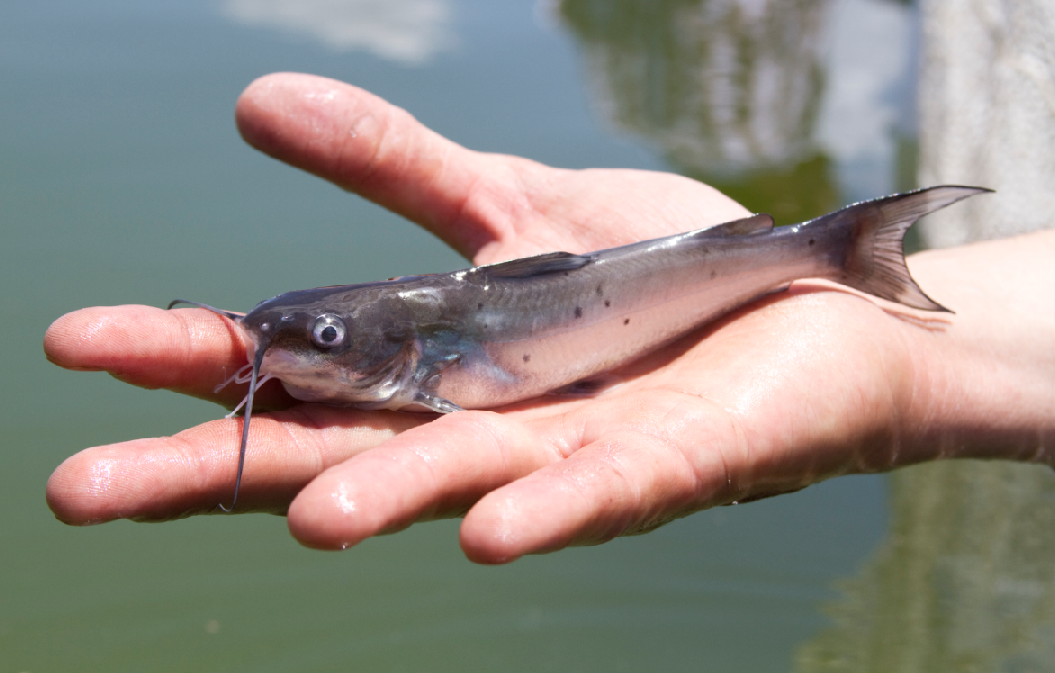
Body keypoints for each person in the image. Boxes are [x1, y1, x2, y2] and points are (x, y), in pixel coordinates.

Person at [43, 73, 1055, 564]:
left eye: (325, 339)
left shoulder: (428, 355)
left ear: (406, 349)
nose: (295, 349)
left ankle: (839, 248)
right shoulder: (398, 343)